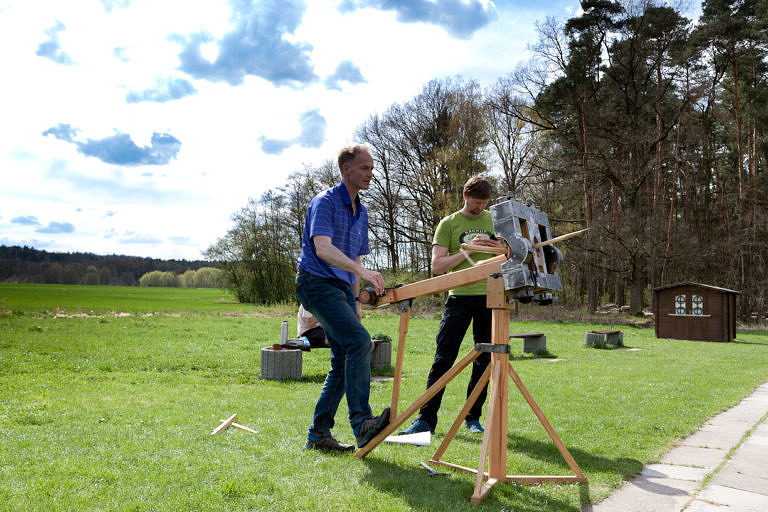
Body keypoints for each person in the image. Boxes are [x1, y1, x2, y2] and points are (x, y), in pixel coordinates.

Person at [295, 144, 390, 453]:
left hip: (340, 289)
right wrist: (361, 270)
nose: (370, 174)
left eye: (372, 169)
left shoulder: (361, 212)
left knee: (342, 359)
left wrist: (355, 304)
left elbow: (351, 261)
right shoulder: (324, 203)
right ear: (346, 169)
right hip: (315, 282)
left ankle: (318, 435)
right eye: (365, 168)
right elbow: (323, 248)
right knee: (359, 342)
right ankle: (362, 423)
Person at [400, 176, 501, 436]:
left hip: (491, 296)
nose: (481, 208)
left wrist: (495, 245)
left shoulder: (493, 220)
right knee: (444, 359)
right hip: (459, 297)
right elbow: (437, 267)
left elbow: (511, 253)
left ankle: (473, 418)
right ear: (465, 197)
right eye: (477, 203)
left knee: (485, 358)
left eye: (484, 203)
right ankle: (426, 421)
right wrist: (468, 250)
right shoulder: (449, 224)